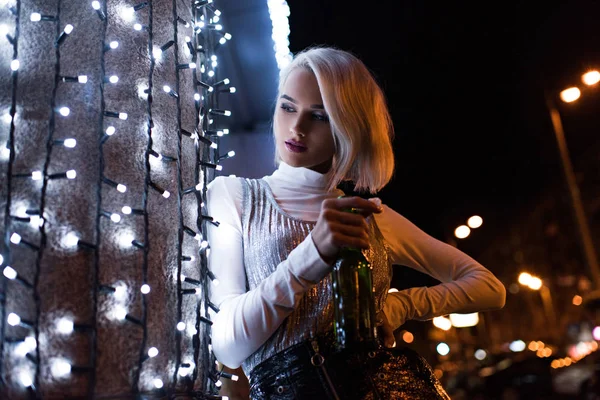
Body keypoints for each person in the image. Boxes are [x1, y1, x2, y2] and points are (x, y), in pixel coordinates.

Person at [207, 46, 506, 399]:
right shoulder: (234, 196)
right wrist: (313, 253)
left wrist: (399, 306)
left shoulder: (369, 216)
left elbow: (489, 287)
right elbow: (227, 345)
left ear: (349, 126)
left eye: (319, 116)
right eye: (287, 107)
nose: (297, 127)